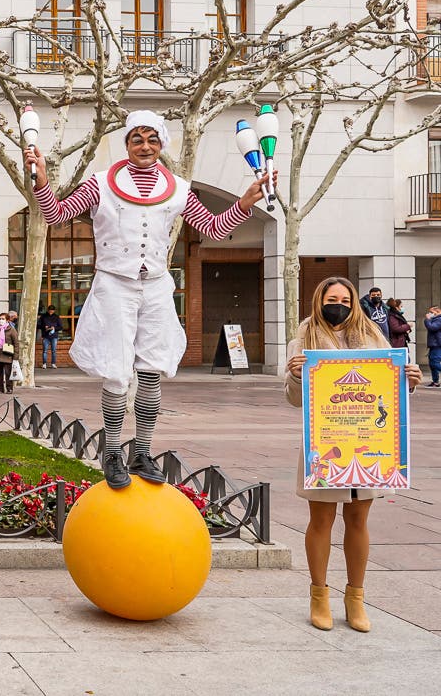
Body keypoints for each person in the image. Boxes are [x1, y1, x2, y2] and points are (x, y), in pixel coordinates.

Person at [25, 110, 271, 489]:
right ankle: (111, 452)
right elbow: (56, 215)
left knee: (152, 371)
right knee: (116, 374)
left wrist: (244, 202)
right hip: (113, 285)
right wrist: (41, 178)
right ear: (126, 143)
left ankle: (141, 451)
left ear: (162, 145)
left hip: (156, 285)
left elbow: (212, 228)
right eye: (137, 138)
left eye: (152, 139)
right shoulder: (101, 184)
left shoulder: (177, 187)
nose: (144, 146)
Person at [285, 276, 420, 633]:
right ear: (319, 300)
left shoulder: (373, 335)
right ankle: (319, 595)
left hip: (370, 443)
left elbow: (389, 395)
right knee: (322, 520)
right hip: (326, 446)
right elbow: (295, 399)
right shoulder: (305, 336)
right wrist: (297, 376)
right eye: (333, 298)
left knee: (359, 520)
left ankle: (356, 598)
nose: (340, 304)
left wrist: (409, 379)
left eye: (346, 299)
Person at [0, 311, 19, 394]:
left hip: (7, 355)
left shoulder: (12, 330)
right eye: (0, 319)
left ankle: (9, 388)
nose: (1, 320)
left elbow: (16, 344)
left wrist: (15, 357)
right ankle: (0, 388)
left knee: (8, 373)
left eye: (3, 319)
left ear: (7, 320)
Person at [425, 306, 441, 387]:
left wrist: (427, 319)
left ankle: (436, 381)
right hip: (433, 345)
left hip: (437, 345)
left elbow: (432, 327)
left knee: (435, 362)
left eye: (431, 312)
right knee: (432, 364)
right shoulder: (434, 320)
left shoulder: (439, 319)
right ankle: (435, 381)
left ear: (437, 312)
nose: (429, 314)